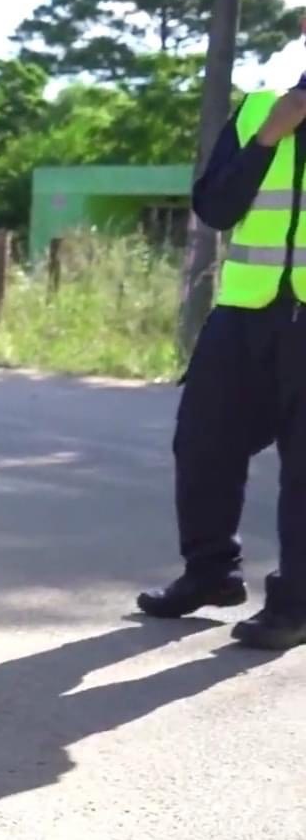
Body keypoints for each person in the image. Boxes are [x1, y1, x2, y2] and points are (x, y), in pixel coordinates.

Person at [137, 75, 306, 651]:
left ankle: (296, 605)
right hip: (243, 313)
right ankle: (210, 573)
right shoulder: (260, 107)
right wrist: (266, 138)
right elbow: (214, 207)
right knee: (203, 441)